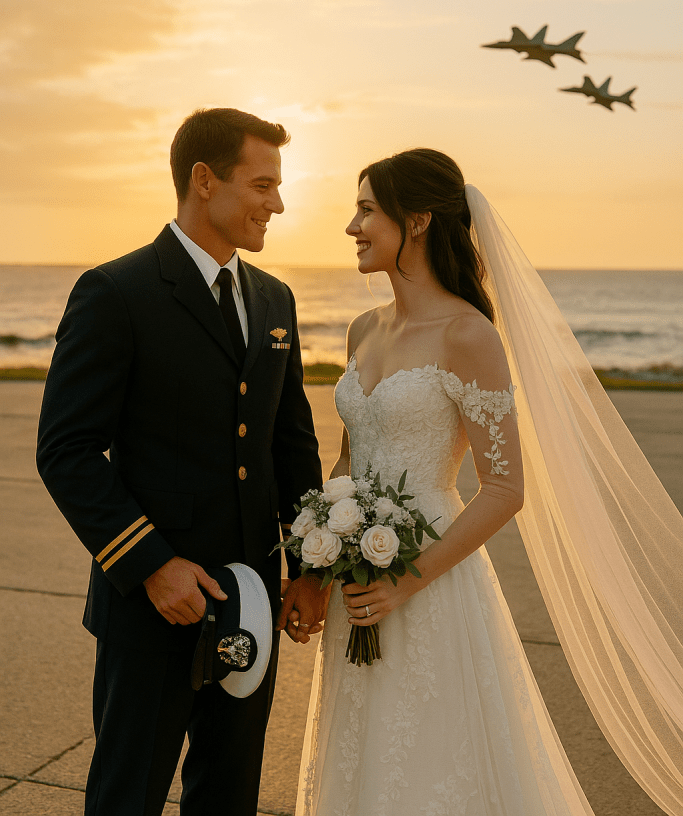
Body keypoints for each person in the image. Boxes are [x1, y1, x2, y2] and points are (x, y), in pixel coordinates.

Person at [296, 148, 683, 816]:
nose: (351, 226)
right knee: (362, 753)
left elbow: (504, 488)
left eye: (365, 209)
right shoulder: (364, 327)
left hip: (429, 580)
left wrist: (402, 581)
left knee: (433, 760)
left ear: (415, 220)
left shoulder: (467, 334)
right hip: (355, 583)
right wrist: (317, 554)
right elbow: (346, 465)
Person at [36, 107, 329, 816]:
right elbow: (67, 450)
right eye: (262, 184)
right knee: (126, 796)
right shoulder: (116, 291)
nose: (278, 203)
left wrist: (309, 570)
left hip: (253, 598)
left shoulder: (274, 298)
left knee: (228, 797)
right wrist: (151, 565)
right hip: (150, 606)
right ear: (204, 180)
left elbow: (289, 446)